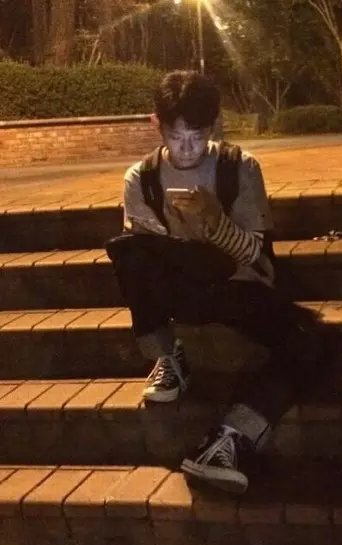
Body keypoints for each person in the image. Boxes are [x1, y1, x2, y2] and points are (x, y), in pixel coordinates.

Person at [106, 70, 330, 495]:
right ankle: (167, 357)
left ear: (214, 126)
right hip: (183, 289)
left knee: (309, 343)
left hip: (238, 288)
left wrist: (216, 224)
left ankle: (230, 437)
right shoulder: (141, 178)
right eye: (176, 136)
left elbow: (259, 261)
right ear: (157, 125)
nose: (187, 148)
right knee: (127, 251)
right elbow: (146, 260)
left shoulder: (238, 168)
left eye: (197, 136)